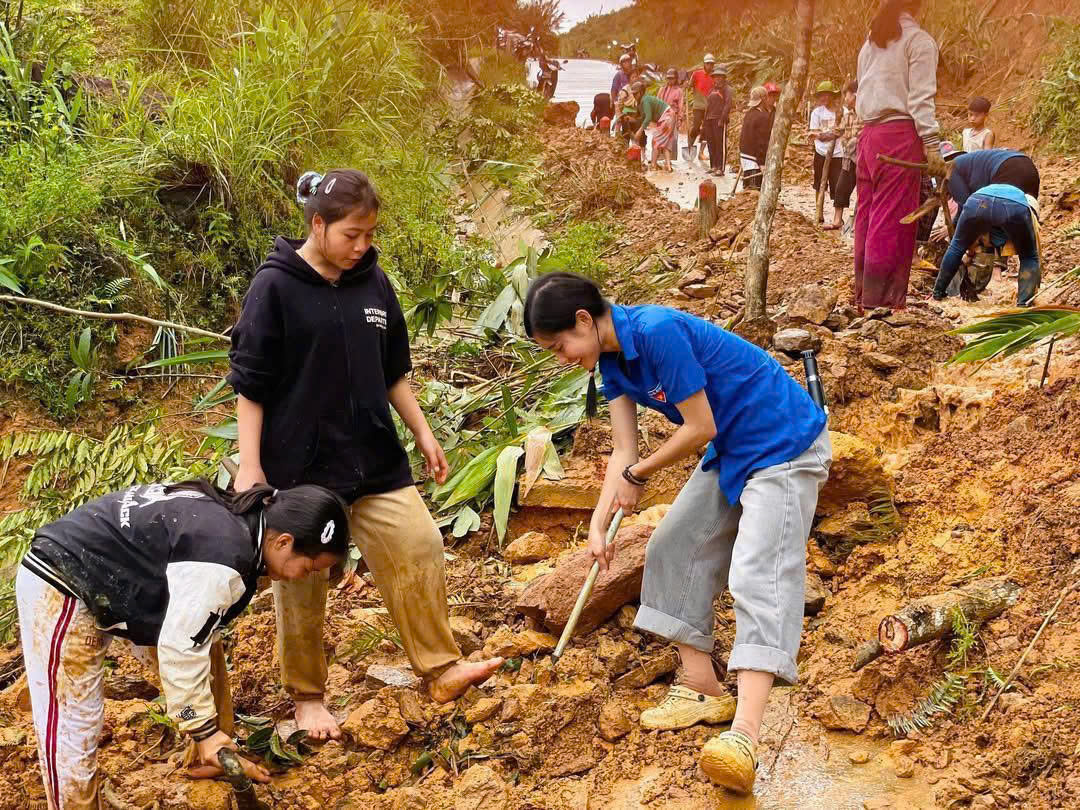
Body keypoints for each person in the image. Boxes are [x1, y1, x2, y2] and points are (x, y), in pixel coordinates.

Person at [524, 273, 830, 796]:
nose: (563, 358)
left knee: (758, 570)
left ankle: (746, 736)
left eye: (560, 346)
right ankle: (702, 689)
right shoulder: (613, 362)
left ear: (583, 320)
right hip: (734, 450)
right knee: (672, 546)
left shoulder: (657, 329)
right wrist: (598, 526)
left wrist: (639, 476)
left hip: (782, 444)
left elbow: (699, 427)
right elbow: (623, 454)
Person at [228, 169, 504, 741]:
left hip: (373, 458)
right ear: (318, 223)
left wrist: (423, 432)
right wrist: (250, 467)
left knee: (419, 544)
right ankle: (307, 697)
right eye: (352, 234)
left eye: (370, 234)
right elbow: (250, 385)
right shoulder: (274, 288)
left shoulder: (373, 283)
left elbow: (392, 371)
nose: (362, 246)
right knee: (301, 581)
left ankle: (441, 668)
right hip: (299, 470)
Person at [16, 479, 351, 808]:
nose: (301, 577)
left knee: (199, 663)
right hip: (63, 578)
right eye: (307, 567)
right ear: (283, 542)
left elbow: (194, 637)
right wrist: (204, 732)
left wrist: (205, 730)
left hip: (118, 578)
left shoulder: (240, 523)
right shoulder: (220, 558)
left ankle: (203, 757)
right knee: (74, 728)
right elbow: (181, 649)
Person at [853, 0, 942, 314]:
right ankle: (883, 302)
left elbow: (862, 92)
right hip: (898, 136)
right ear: (918, 7)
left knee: (867, 216)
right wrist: (932, 144)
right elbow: (920, 99)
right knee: (892, 219)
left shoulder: (872, 42)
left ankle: (863, 295)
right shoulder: (919, 42)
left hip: (868, 137)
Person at [932, 182, 1040, 306]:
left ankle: (937, 294)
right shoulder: (1025, 209)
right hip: (1013, 207)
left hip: (977, 201)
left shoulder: (996, 193)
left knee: (956, 247)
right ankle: (1023, 304)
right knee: (1028, 257)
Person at [809, 80, 843, 226]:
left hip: (838, 153)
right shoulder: (817, 113)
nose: (823, 99)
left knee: (838, 184)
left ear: (832, 96)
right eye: (821, 96)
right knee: (819, 183)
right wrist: (828, 135)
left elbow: (844, 130)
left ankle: (837, 217)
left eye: (826, 95)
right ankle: (819, 213)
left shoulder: (843, 112)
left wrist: (833, 134)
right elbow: (814, 133)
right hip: (821, 152)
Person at [830, 80, 860, 230]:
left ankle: (858, 223)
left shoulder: (867, 114)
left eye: (847, 95)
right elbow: (838, 130)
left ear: (854, 95)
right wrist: (818, 134)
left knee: (863, 191)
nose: (845, 99)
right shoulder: (848, 115)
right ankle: (837, 220)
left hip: (862, 159)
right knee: (841, 187)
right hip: (848, 158)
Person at [738, 86, 772, 189]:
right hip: (754, 159)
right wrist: (762, 163)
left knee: (747, 188)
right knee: (754, 190)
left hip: (745, 154)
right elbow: (761, 142)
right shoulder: (762, 117)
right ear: (763, 99)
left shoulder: (749, 113)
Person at [703, 66, 733, 175]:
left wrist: (722, 119)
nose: (717, 79)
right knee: (711, 143)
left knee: (720, 144)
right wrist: (705, 121)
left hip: (719, 120)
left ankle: (721, 167)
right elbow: (708, 106)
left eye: (719, 76)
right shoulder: (712, 90)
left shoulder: (728, 89)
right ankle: (713, 166)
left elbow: (728, 105)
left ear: (724, 77)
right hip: (709, 120)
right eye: (715, 77)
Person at [686, 54, 716, 161]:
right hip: (698, 106)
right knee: (696, 127)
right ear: (704, 64)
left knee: (707, 130)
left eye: (711, 64)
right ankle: (690, 146)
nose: (709, 66)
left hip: (710, 107)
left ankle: (701, 152)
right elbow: (689, 86)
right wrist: (687, 86)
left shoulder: (715, 77)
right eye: (708, 63)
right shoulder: (696, 74)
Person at [657, 68, 685, 162]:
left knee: (672, 139)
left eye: (672, 78)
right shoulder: (662, 89)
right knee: (660, 138)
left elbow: (681, 106)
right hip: (663, 116)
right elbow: (658, 102)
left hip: (673, 117)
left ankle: (670, 160)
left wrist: (680, 119)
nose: (670, 80)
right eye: (668, 78)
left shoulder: (679, 91)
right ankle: (661, 158)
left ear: (676, 79)